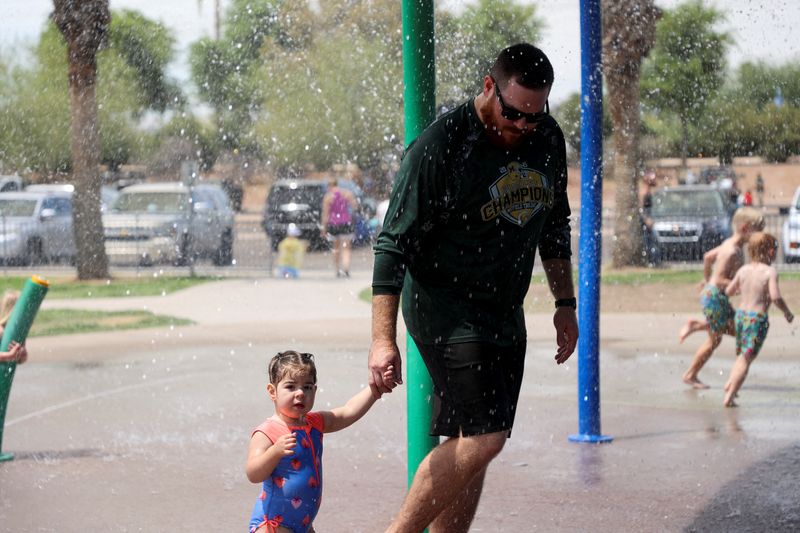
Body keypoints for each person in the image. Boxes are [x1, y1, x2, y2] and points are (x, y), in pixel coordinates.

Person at [369, 43, 577, 533]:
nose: (522, 126)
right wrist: (382, 340)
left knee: (474, 442)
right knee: (486, 438)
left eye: (533, 114)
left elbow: (555, 224)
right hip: (446, 308)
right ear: (489, 87)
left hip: (503, 311)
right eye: (512, 113)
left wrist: (565, 302)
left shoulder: (547, 138)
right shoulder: (443, 146)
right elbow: (392, 245)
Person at [246, 350, 394, 533]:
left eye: (307, 387)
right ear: (272, 391)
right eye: (290, 387)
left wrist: (375, 389)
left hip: (305, 523)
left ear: (315, 390)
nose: (300, 393)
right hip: (273, 524)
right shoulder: (267, 432)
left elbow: (348, 412)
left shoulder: (315, 423)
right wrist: (275, 452)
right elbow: (253, 473)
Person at [678, 207, 764, 388]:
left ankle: (698, 327)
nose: (760, 235)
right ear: (745, 228)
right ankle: (690, 374)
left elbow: (708, 257)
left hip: (713, 296)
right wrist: (738, 286)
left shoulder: (729, 244)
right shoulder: (733, 251)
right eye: (759, 230)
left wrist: (706, 279)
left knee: (731, 332)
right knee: (716, 339)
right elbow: (720, 280)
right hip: (715, 297)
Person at [723, 232, 793, 406]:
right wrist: (787, 312)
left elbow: (729, 291)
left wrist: (746, 290)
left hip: (740, 316)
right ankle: (730, 395)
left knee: (742, 355)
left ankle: (730, 383)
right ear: (770, 251)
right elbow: (775, 297)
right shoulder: (769, 272)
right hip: (757, 319)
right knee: (746, 359)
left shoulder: (743, 270)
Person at [320, 178, 358, 278]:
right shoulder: (346, 193)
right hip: (345, 222)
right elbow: (355, 206)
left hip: (333, 223)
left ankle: (337, 270)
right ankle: (346, 268)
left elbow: (325, 214)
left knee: (336, 248)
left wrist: (323, 228)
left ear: (329, 186)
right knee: (346, 248)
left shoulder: (328, 196)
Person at [640, 169, 661, 266]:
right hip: (646, 220)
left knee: (652, 240)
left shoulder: (648, 190)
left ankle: (653, 260)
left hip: (649, 218)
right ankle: (650, 261)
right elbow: (641, 208)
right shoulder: (644, 192)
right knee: (648, 241)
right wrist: (646, 219)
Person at [0, 290, 27, 364]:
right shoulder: (1, 331)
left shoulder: (19, 332)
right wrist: (8, 356)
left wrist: (22, 354)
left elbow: (21, 361)